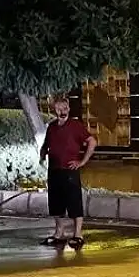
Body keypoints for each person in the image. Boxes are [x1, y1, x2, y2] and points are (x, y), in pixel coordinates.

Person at [39, 97, 96, 249]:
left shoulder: (75, 126)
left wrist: (82, 162)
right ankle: (59, 233)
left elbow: (92, 141)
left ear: (69, 108)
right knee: (56, 203)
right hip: (54, 170)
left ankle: (78, 234)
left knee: (74, 202)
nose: (62, 112)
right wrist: (42, 154)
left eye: (64, 108)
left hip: (70, 171)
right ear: (54, 110)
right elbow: (46, 144)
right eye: (58, 109)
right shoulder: (51, 127)